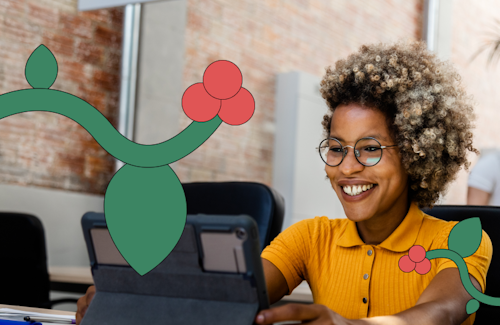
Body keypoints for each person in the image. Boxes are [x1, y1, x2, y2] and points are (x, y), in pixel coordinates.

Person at [76, 41, 492, 325]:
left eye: (369, 149)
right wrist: (134, 293)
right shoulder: (311, 238)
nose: (347, 168)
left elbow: (439, 314)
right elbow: (224, 293)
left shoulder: (463, 242)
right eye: (336, 148)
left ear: (417, 152)